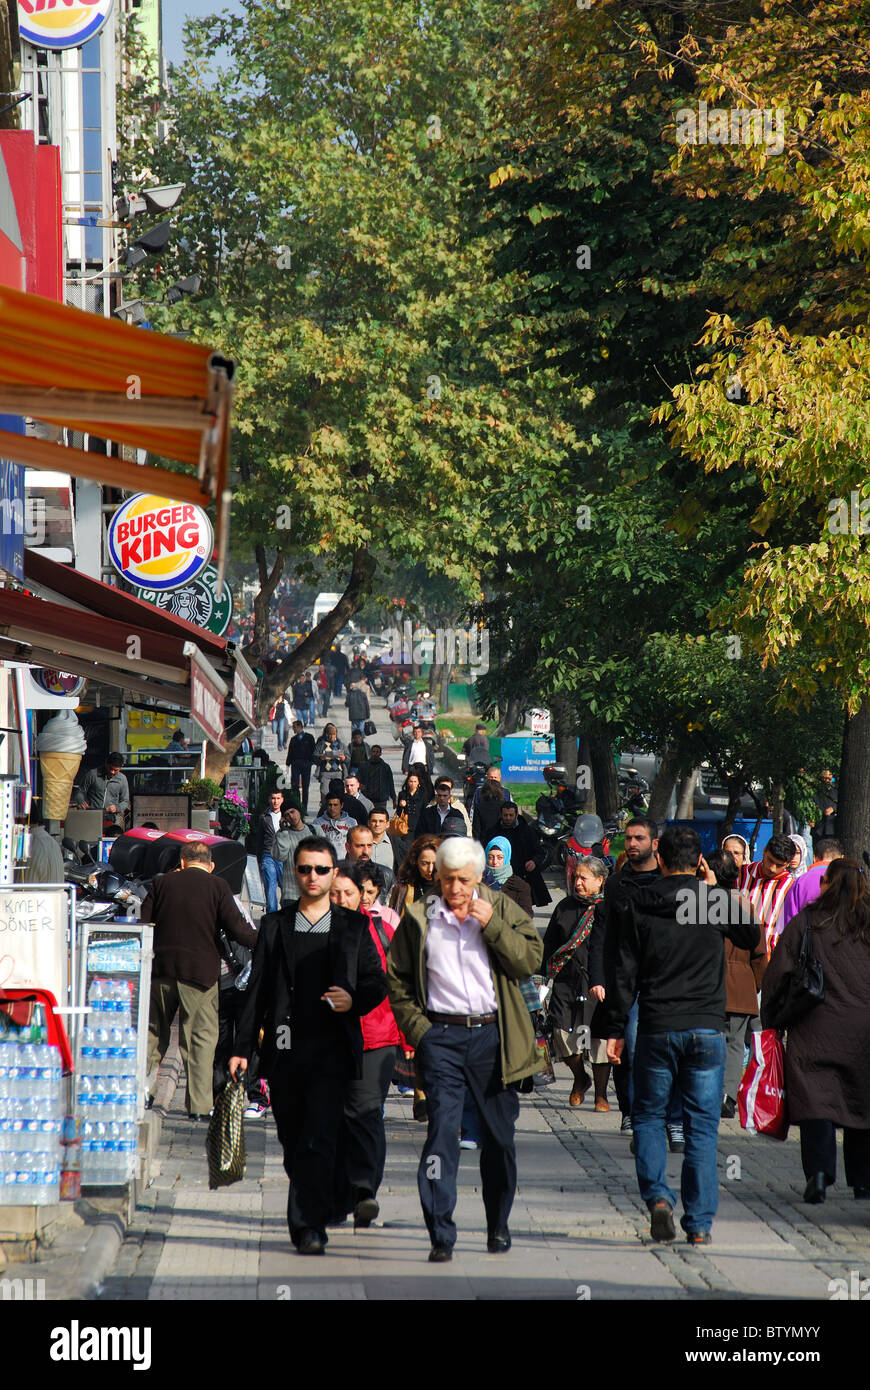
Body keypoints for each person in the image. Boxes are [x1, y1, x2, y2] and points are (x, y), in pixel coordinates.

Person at [386, 836, 543, 1261]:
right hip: (441, 1039)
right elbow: (397, 977)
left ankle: (498, 1224)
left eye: (464, 880)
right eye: (448, 878)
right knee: (442, 1135)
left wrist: (492, 923)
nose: (455, 888)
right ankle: (441, 1231)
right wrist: (420, 1031)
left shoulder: (501, 907)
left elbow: (529, 960)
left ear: (478, 877)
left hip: (494, 1039)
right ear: (437, 875)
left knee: (499, 1139)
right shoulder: (420, 918)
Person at [229, 836, 386, 1254]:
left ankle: (307, 1226)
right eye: (304, 869)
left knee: (318, 1134)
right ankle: (328, 1198)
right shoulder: (276, 925)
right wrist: (241, 1047)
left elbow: (375, 980)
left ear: (334, 872)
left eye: (320, 869)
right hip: (285, 1050)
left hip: (333, 1049)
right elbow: (257, 988)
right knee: (292, 1137)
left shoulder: (353, 926)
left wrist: (354, 1000)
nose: (312, 876)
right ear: (294, 872)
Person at [605, 826, 760, 1245]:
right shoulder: (711, 902)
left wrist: (615, 1028)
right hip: (708, 1028)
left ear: (661, 856)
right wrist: (714, 890)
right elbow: (753, 936)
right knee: (701, 1128)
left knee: (650, 1117)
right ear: (699, 862)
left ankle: (658, 1197)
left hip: (657, 1025)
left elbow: (624, 971)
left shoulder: (641, 900)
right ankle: (699, 1224)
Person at [761, 858, 870, 1203]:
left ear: (831, 884)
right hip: (864, 1032)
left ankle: (820, 1175)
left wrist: (772, 1021)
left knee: (816, 1103)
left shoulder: (806, 922)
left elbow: (778, 972)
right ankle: (864, 1182)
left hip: (813, 1027)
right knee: (862, 1107)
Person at [142, 841, 257, 1120]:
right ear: (211, 865)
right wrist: (267, 939)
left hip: (162, 970)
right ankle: (198, 1107)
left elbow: (144, 921)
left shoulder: (162, 884)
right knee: (200, 1039)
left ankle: (142, 1091)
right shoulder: (218, 886)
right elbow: (238, 929)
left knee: (153, 1034)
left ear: (182, 861)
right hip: (201, 974)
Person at [598, 816, 683, 1147]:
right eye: (628, 839)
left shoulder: (670, 881)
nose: (632, 844)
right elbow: (606, 937)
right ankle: (637, 1113)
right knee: (632, 1052)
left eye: (639, 839)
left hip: (667, 981)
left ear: (654, 843)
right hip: (628, 982)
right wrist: (602, 977)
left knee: (670, 1053)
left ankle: (672, 1119)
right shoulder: (617, 883)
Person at [330, 863, 401, 1227]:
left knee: (366, 1112)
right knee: (337, 1117)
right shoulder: (314, 930)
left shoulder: (381, 930)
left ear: (364, 895)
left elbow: (402, 986)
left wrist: (410, 1039)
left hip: (377, 1038)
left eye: (348, 893)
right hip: (330, 1040)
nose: (341, 899)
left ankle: (364, 1191)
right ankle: (342, 1194)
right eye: (334, 893)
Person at [543, 855, 608, 1107]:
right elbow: (549, 943)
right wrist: (542, 977)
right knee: (561, 1032)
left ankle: (601, 1094)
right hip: (566, 982)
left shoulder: (608, 908)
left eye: (584, 878)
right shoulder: (565, 907)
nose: (577, 882)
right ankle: (580, 1078)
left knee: (598, 1039)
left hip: (598, 983)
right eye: (576, 877)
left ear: (600, 880)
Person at [705, 849, 766, 1118]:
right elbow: (759, 952)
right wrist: (757, 984)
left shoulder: (697, 904)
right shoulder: (746, 904)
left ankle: (706, 1091)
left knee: (708, 1040)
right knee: (734, 1043)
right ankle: (728, 1096)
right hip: (741, 984)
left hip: (707, 984)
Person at [737, 833, 798, 958]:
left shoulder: (791, 887)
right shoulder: (741, 875)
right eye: (770, 860)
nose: (772, 869)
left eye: (779, 865)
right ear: (764, 851)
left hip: (769, 958)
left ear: (787, 864)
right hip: (738, 955)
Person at [494, 801, 551, 908]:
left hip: (524, 876)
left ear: (516, 815)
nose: (508, 818)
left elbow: (540, 852)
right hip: (501, 877)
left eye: (511, 815)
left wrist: (534, 861)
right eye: (505, 815)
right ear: (501, 815)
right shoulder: (494, 832)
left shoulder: (527, 831)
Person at [780, 837, 844, 929]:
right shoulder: (848, 879)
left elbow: (789, 921)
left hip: (808, 939)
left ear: (814, 858)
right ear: (842, 858)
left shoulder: (799, 882)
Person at [389, 834, 441, 916]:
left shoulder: (448, 888)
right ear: (415, 861)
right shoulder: (403, 889)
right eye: (424, 863)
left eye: (435, 863)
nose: (430, 869)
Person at [76, 752, 130, 828]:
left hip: (112, 819)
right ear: (106, 763)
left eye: (116, 770)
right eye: (110, 768)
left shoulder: (122, 779)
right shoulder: (93, 774)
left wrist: (117, 808)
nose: (112, 772)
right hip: (92, 816)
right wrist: (81, 800)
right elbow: (80, 791)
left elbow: (125, 801)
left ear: (121, 767)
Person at [276, 803, 317, 902]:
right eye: (287, 815)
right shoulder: (282, 834)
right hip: (291, 895)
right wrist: (283, 831)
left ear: (299, 811)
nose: (291, 816)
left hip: (312, 892)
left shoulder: (315, 830)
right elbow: (281, 856)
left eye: (292, 812)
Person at [484, 836, 533, 917]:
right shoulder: (479, 882)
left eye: (500, 858)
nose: (495, 862)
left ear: (507, 857)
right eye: (491, 857)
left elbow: (526, 918)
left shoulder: (520, 886)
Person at [256, 788, 286, 914]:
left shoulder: (288, 815)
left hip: (284, 856)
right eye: (273, 798)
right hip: (268, 855)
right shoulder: (264, 817)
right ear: (269, 800)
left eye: (278, 798)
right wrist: (258, 859)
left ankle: (287, 915)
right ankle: (272, 916)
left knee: (287, 888)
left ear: (282, 800)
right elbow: (259, 839)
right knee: (270, 888)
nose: (275, 801)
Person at [285, 720, 316, 812]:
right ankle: (297, 805)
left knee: (305, 786)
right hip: (295, 764)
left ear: (300, 727)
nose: (293, 729)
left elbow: (313, 750)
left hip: (306, 764)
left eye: (294, 727)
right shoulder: (293, 739)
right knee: (295, 785)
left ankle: (304, 807)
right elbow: (290, 752)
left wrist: (312, 761)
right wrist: (287, 764)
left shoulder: (309, 738)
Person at [472, 774, 509, 845]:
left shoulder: (479, 807)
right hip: (502, 842)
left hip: (484, 842)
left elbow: (476, 830)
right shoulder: (504, 806)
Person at [314, 724, 348, 798]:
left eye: (334, 734)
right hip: (325, 772)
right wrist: (321, 757)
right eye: (330, 734)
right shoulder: (321, 744)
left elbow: (348, 758)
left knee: (338, 793)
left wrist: (344, 758)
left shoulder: (341, 744)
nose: (332, 736)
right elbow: (314, 757)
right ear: (327, 734)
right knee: (324, 793)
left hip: (338, 772)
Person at [398, 768, 432, 839]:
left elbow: (426, 811)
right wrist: (401, 806)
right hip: (405, 827)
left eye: (415, 781)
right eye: (411, 781)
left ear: (418, 782)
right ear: (407, 782)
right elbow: (399, 813)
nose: (413, 784)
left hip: (419, 827)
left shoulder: (423, 794)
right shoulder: (403, 794)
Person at [368, 806, 399, 876]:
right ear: (368, 823)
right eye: (374, 821)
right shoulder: (360, 843)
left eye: (381, 821)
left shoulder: (396, 844)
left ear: (387, 824)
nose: (377, 824)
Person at [810, 769, 838, 844]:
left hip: (832, 827)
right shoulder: (815, 791)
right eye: (825, 778)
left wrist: (833, 808)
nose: (827, 781)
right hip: (819, 827)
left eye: (829, 778)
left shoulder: (836, 790)